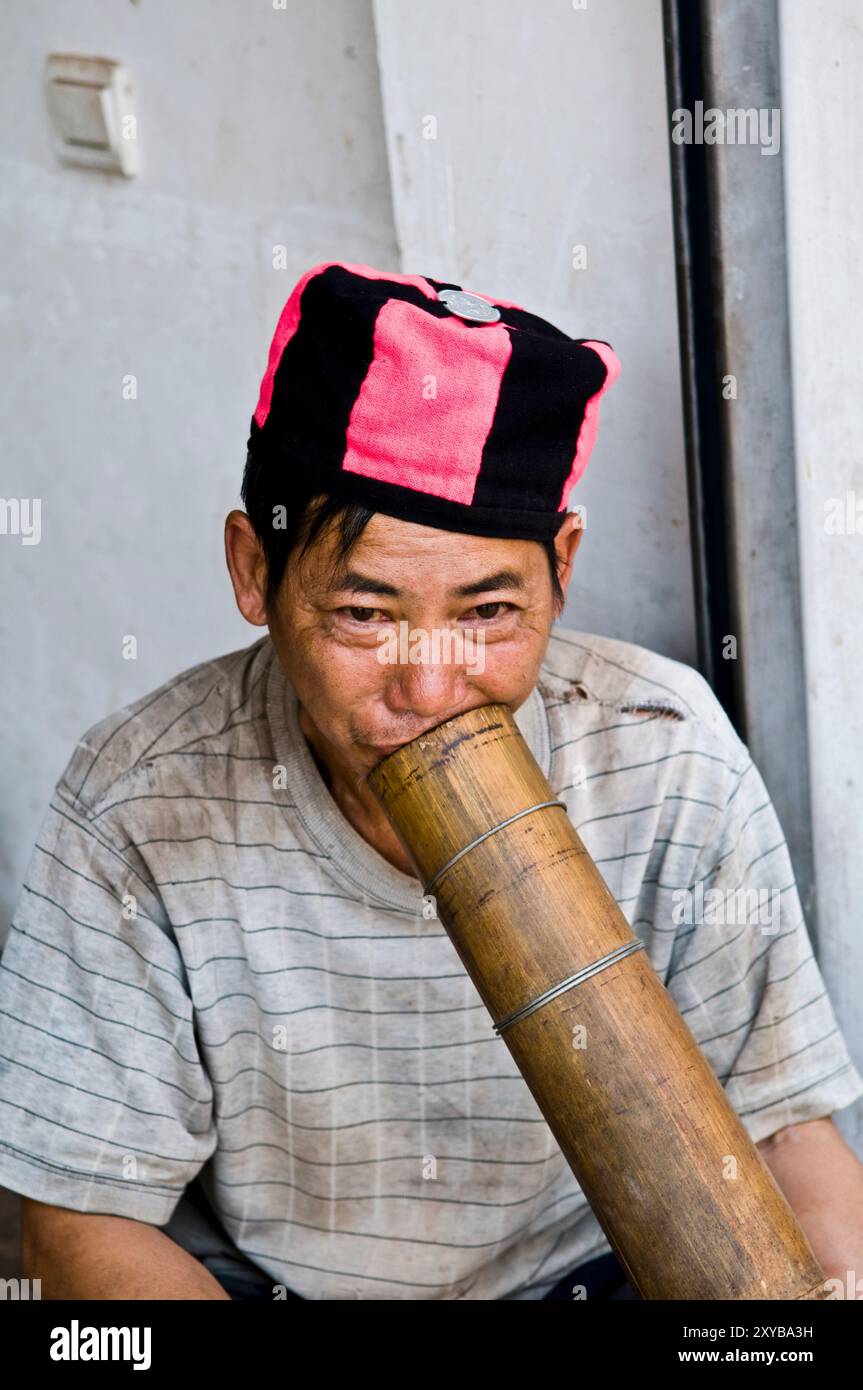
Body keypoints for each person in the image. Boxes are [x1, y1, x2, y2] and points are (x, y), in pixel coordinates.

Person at [3, 261, 863, 1302]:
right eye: (363, 614)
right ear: (253, 571)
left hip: (589, 1277)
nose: (430, 687)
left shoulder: (662, 748)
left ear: (562, 565)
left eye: (488, 614)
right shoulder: (141, 799)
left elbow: (777, 1130)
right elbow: (80, 1220)